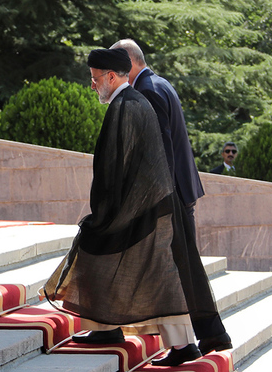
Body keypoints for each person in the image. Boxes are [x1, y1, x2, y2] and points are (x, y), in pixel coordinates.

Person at [44, 48, 222, 367]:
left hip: (141, 207)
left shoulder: (126, 107)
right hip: (146, 204)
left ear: (112, 77)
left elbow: (115, 166)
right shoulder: (131, 102)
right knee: (121, 261)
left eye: (95, 79)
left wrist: (105, 211)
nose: (94, 85)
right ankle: (106, 328)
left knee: (154, 274)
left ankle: (182, 347)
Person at [110, 39, 232, 356]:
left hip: (168, 197)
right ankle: (206, 337)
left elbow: (159, 150)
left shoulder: (148, 90)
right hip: (177, 192)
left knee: (179, 268)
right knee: (182, 267)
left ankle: (199, 339)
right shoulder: (159, 83)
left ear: (128, 63)